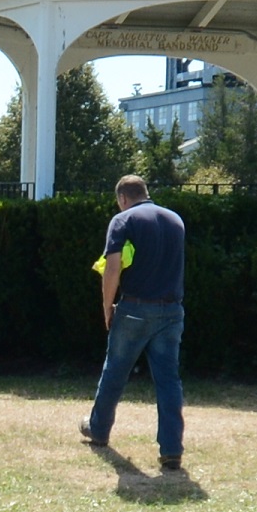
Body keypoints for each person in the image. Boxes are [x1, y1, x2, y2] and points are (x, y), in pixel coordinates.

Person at [80, 171, 186, 470]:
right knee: (168, 380)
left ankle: (98, 430)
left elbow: (112, 268)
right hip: (172, 310)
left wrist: (107, 307)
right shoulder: (175, 220)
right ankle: (171, 448)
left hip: (135, 308)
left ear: (123, 198)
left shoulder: (123, 221)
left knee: (114, 371)